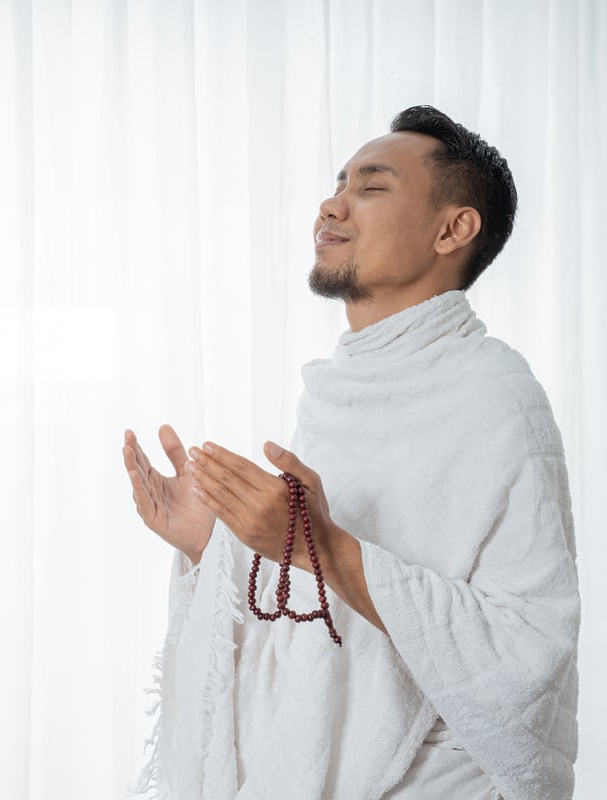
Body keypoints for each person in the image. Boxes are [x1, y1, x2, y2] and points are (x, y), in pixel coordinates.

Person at [123, 105, 579, 800]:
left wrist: (317, 546)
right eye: (339, 183)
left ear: (452, 229)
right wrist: (211, 545)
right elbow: (314, 623)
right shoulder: (338, 392)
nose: (332, 205)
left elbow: (525, 654)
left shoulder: (497, 399)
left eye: (372, 187)